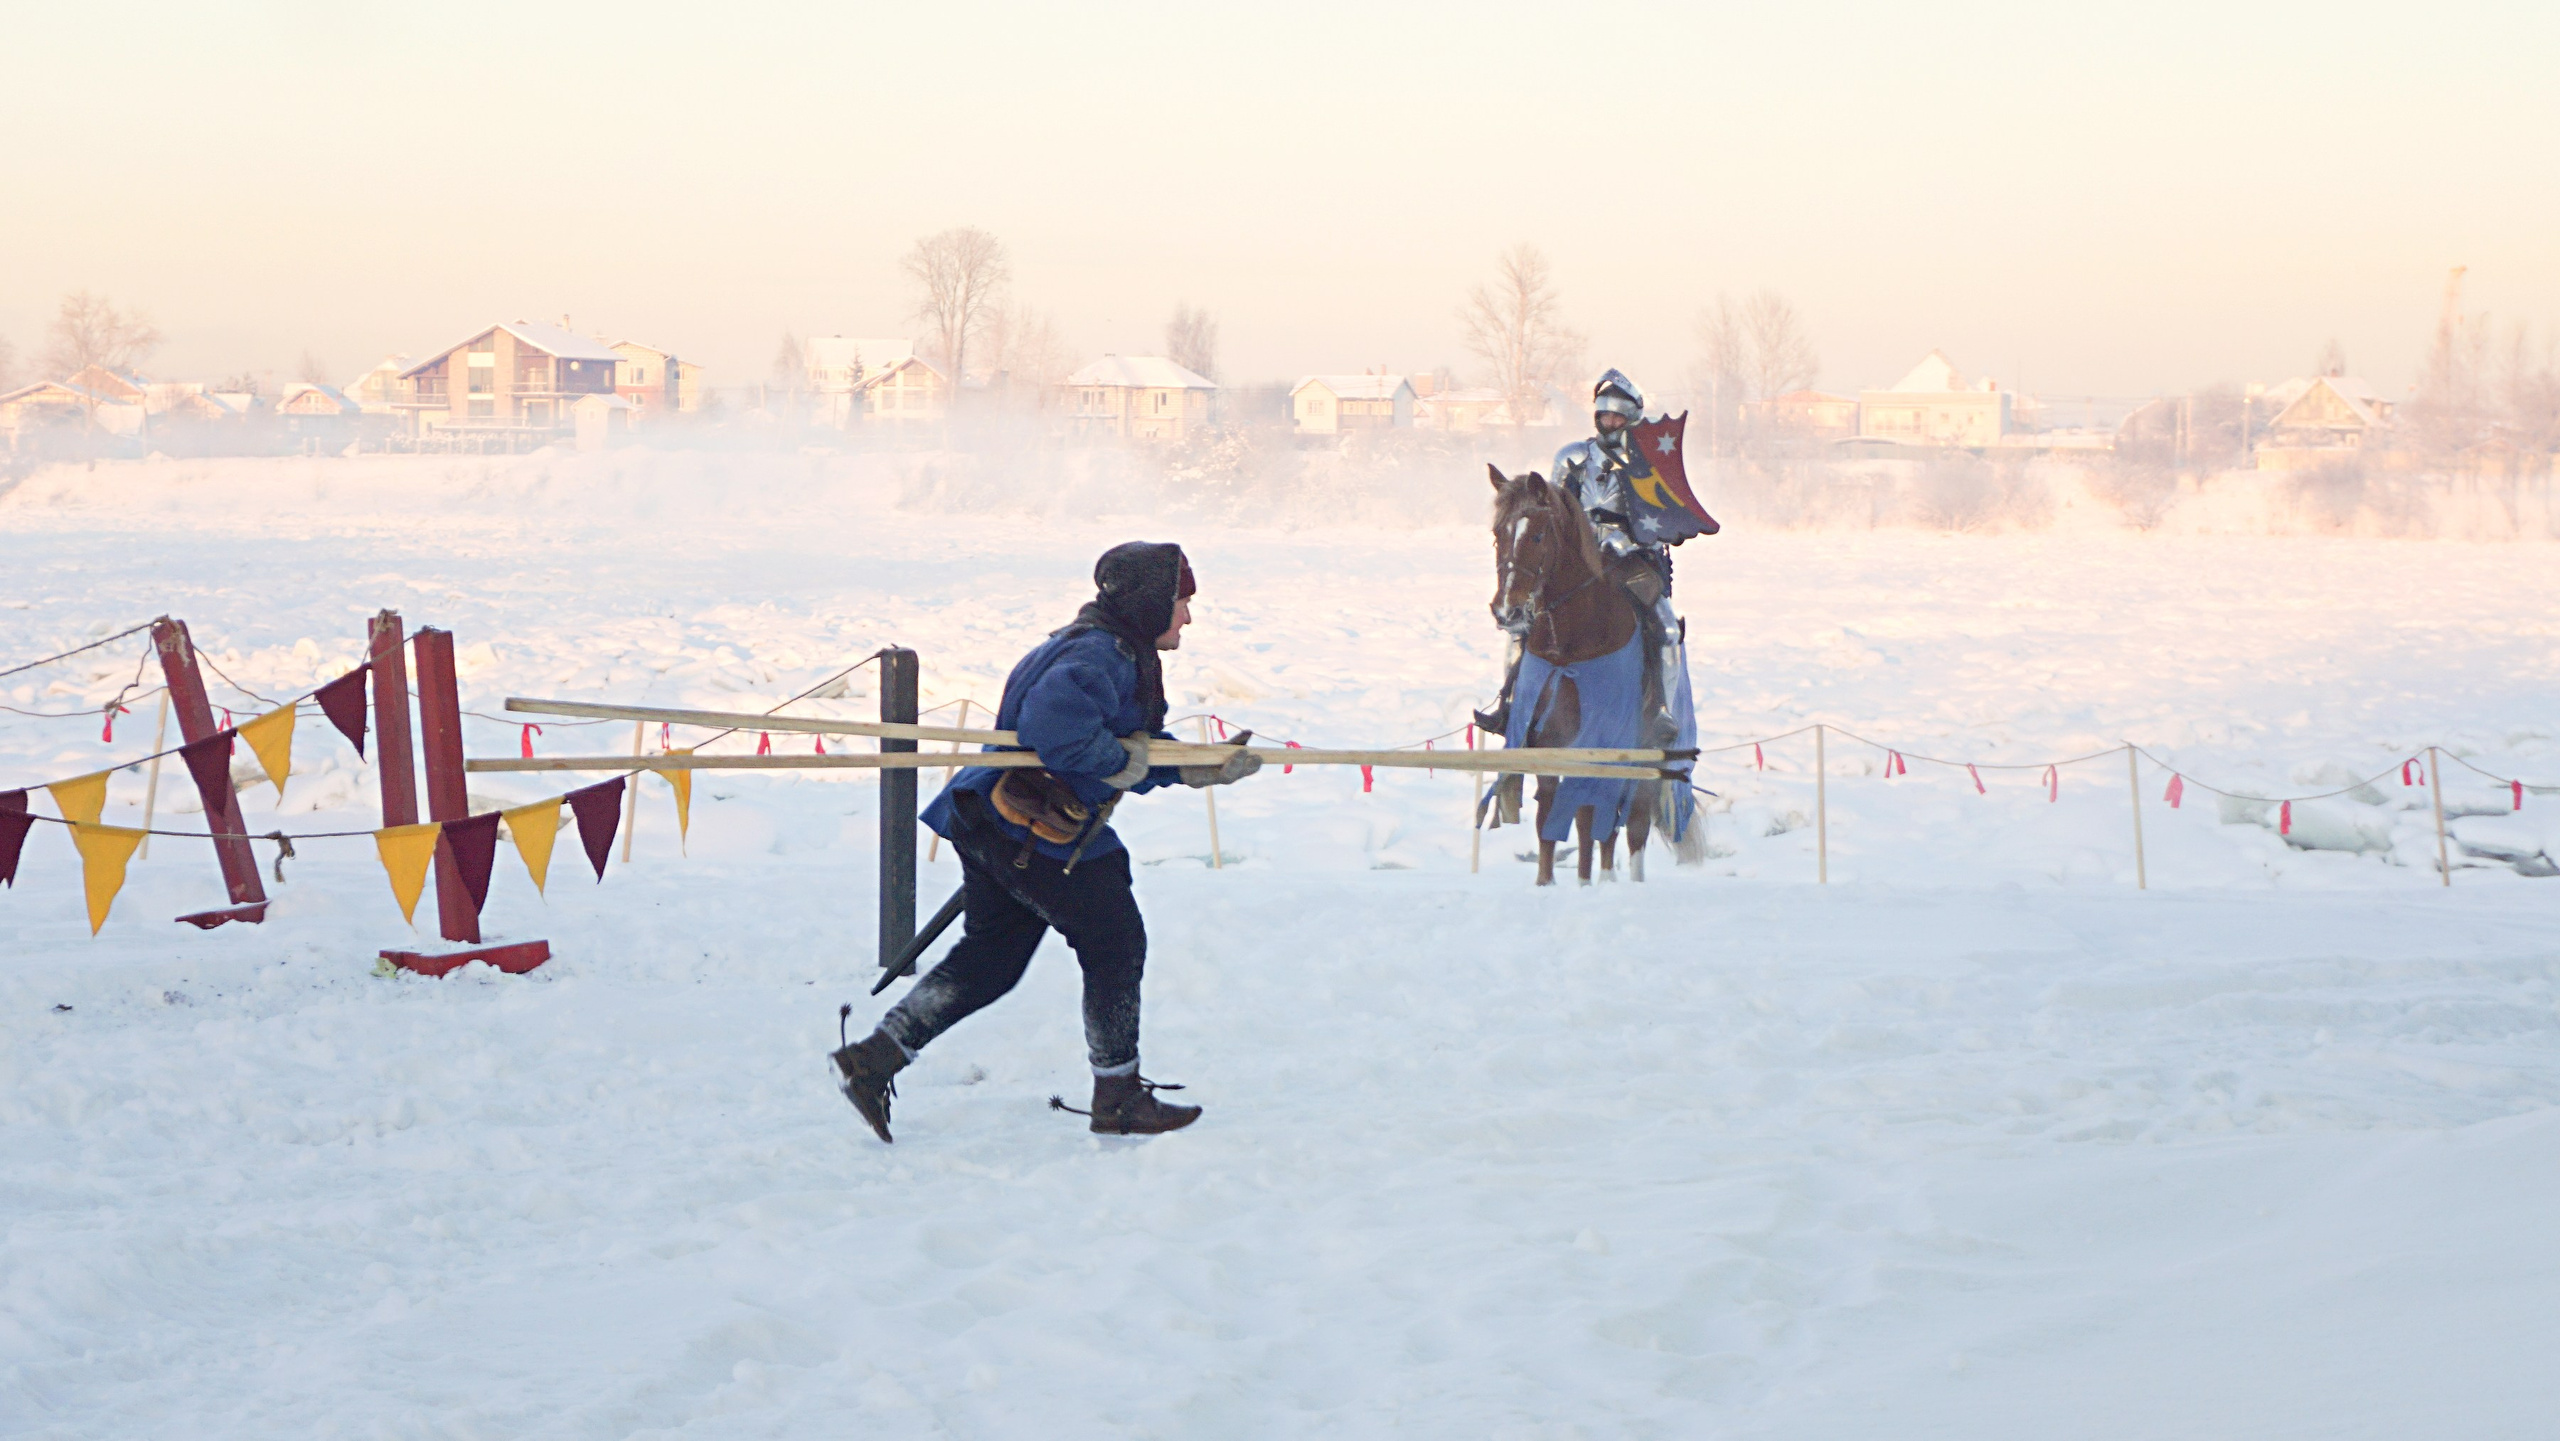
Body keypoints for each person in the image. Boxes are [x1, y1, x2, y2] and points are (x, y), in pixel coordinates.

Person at [831, 541, 1261, 1143]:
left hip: (987, 819)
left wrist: (1196, 766)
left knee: (992, 960)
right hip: (1027, 832)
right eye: (1181, 602)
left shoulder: (1104, 647)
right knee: (1115, 941)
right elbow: (1057, 733)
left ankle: (877, 1057)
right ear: (1147, 604)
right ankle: (1117, 1094)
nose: (1188, 616)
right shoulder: (1097, 655)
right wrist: (1129, 760)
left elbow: (1125, 752)